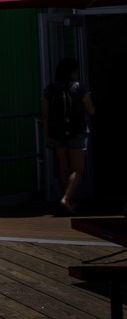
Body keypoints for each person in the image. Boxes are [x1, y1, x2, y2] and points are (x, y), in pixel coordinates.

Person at [43, 57, 96, 214]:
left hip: (57, 133)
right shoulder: (79, 87)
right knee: (78, 170)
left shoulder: (50, 89)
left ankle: (70, 201)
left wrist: (47, 136)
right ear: (73, 71)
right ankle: (66, 198)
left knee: (63, 166)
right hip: (77, 132)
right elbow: (91, 110)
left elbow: (45, 115)